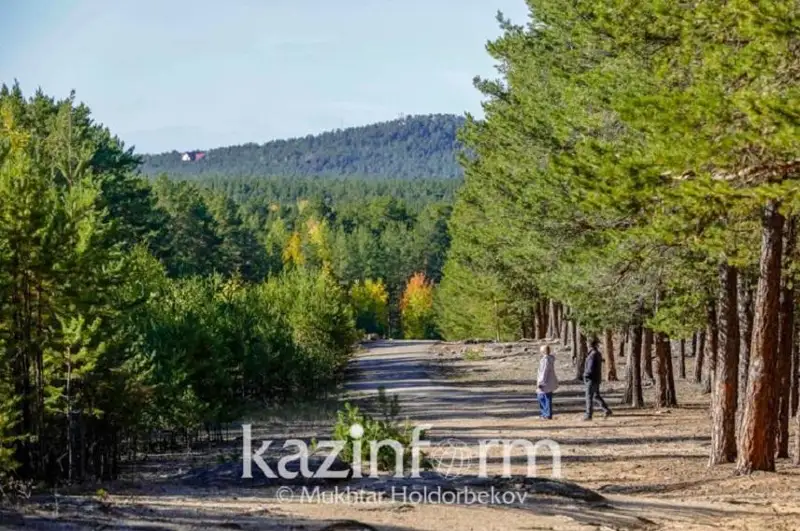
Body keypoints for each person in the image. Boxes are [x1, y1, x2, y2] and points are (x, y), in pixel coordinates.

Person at [583, 337, 612, 420]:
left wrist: (586, 375)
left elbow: (590, 368)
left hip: (591, 379)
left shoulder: (593, 354)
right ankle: (606, 410)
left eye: (588, 343)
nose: (587, 344)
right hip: (596, 378)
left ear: (590, 344)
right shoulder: (597, 353)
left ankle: (588, 415)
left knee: (589, 397)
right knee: (596, 396)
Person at [537, 344, 558, 419]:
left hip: (546, 382)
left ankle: (547, 414)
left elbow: (544, 371)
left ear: (543, 351)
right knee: (542, 397)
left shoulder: (546, 360)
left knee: (544, 397)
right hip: (548, 381)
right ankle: (544, 413)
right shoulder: (548, 359)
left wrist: (541, 382)